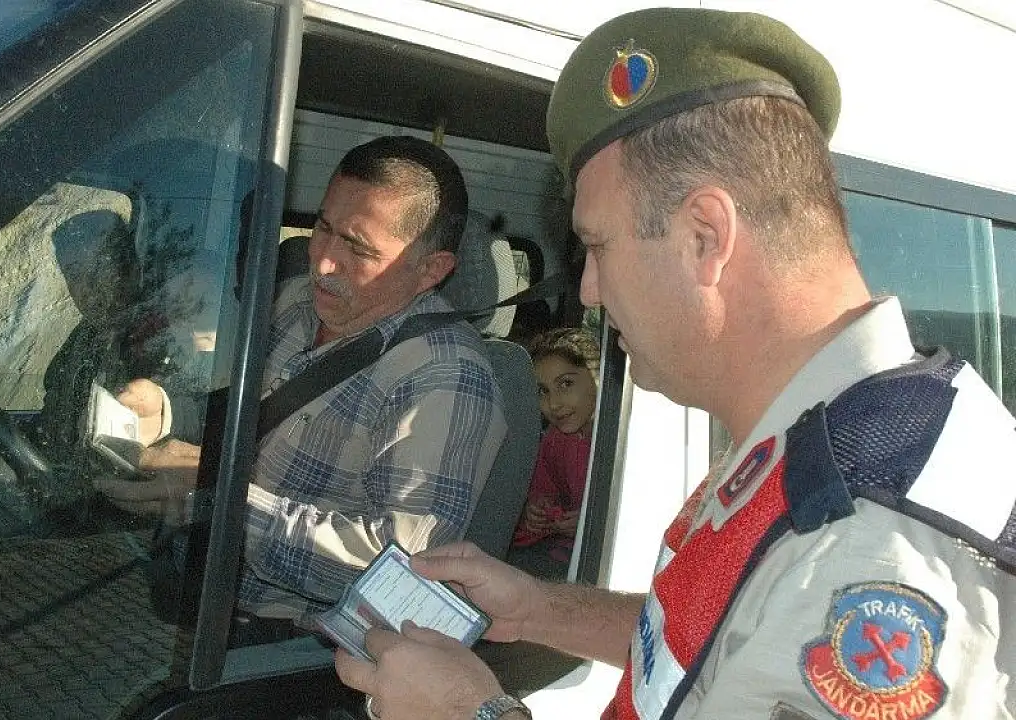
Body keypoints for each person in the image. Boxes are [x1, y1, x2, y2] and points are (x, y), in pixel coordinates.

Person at [334, 8, 1016, 720]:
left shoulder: (872, 549)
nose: (589, 292)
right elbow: (723, 646)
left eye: (598, 247)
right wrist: (539, 609)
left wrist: (469, 713)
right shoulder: (813, 436)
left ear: (704, 238)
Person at [96, 135, 509, 628]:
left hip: (284, 644)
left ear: (430, 270)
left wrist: (220, 501)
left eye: (357, 247)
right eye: (323, 227)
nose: (323, 262)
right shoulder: (293, 302)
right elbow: (250, 410)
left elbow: (401, 572)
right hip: (191, 586)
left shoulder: (447, 377)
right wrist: (168, 410)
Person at [507, 327, 599, 579]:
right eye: (542, 391)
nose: (554, 404)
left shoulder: (616, 439)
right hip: (557, 551)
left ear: (597, 377)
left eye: (566, 384)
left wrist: (590, 522)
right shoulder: (554, 440)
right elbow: (543, 489)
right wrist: (536, 510)